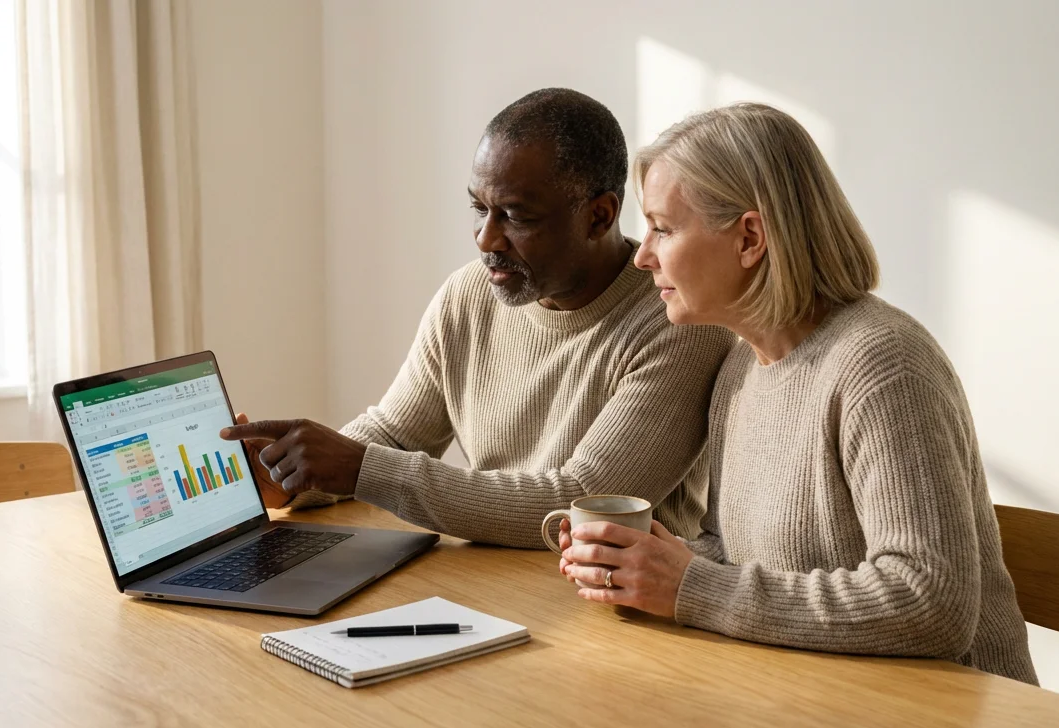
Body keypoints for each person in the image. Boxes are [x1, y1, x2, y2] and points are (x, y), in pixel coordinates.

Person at [557, 103, 1038, 683]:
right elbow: (736, 557)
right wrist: (649, 567)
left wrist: (693, 585)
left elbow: (929, 604)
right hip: (815, 696)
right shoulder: (740, 367)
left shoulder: (883, 367)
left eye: (663, 227)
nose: (642, 255)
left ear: (750, 237)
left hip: (949, 724)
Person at [223, 88, 732, 548]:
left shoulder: (677, 319)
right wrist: (296, 474)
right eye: (479, 209)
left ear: (598, 215)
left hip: (610, 606)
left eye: (516, 216)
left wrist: (362, 469)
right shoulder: (469, 294)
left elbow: (584, 502)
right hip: (486, 579)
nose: (486, 239)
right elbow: (398, 433)